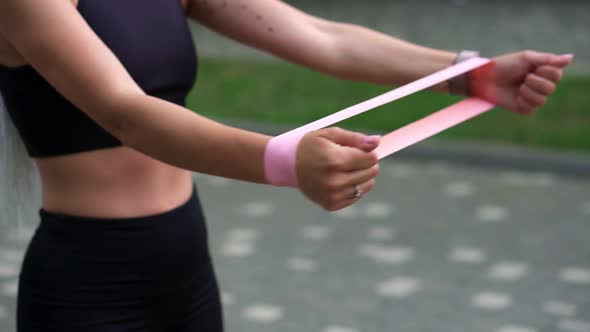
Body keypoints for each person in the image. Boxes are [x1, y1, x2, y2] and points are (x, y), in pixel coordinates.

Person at [0, 0, 572, 331]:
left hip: (184, 261)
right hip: (89, 286)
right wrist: (283, 160)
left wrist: (468, 72)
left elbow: (318, 35)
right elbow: (126, 112)